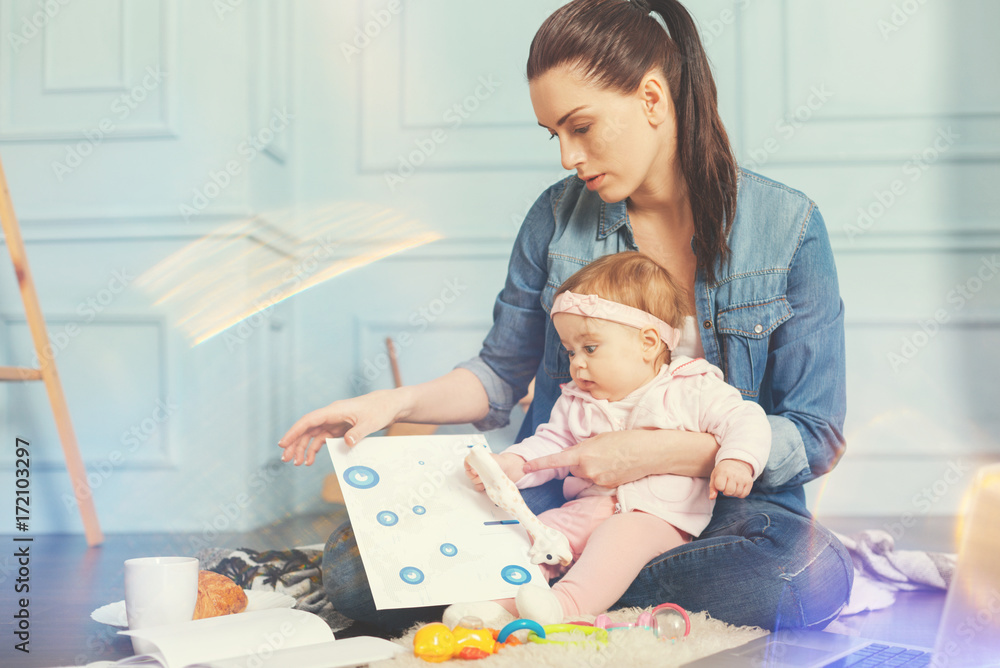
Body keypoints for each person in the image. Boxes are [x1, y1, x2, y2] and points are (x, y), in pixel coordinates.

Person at [279, 0, 853, 635]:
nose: (567, 157)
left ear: (653, 98)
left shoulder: (788, 227)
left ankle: (555, 586)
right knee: (354, 569)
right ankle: (595, 589)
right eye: (555, 134)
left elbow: (815, 432)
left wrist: (648, 453)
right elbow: (500, 375)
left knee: (805, 575)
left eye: (581, 127)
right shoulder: (556, 219)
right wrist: (392, 403)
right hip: (568, 501)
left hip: (723, 508)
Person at [443, 251, 771, 628]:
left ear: (648, 343)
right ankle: (496, 604)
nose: (577, 363)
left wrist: (737, 460)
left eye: (590, 348)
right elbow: (550, 446)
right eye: (570, 351)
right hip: (588, 509)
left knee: (620, 536)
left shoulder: (690, 387)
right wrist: (511, 467)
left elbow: (745, 418)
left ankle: (564, 607)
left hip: (656, 519)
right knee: (538, 532)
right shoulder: (578, 402)